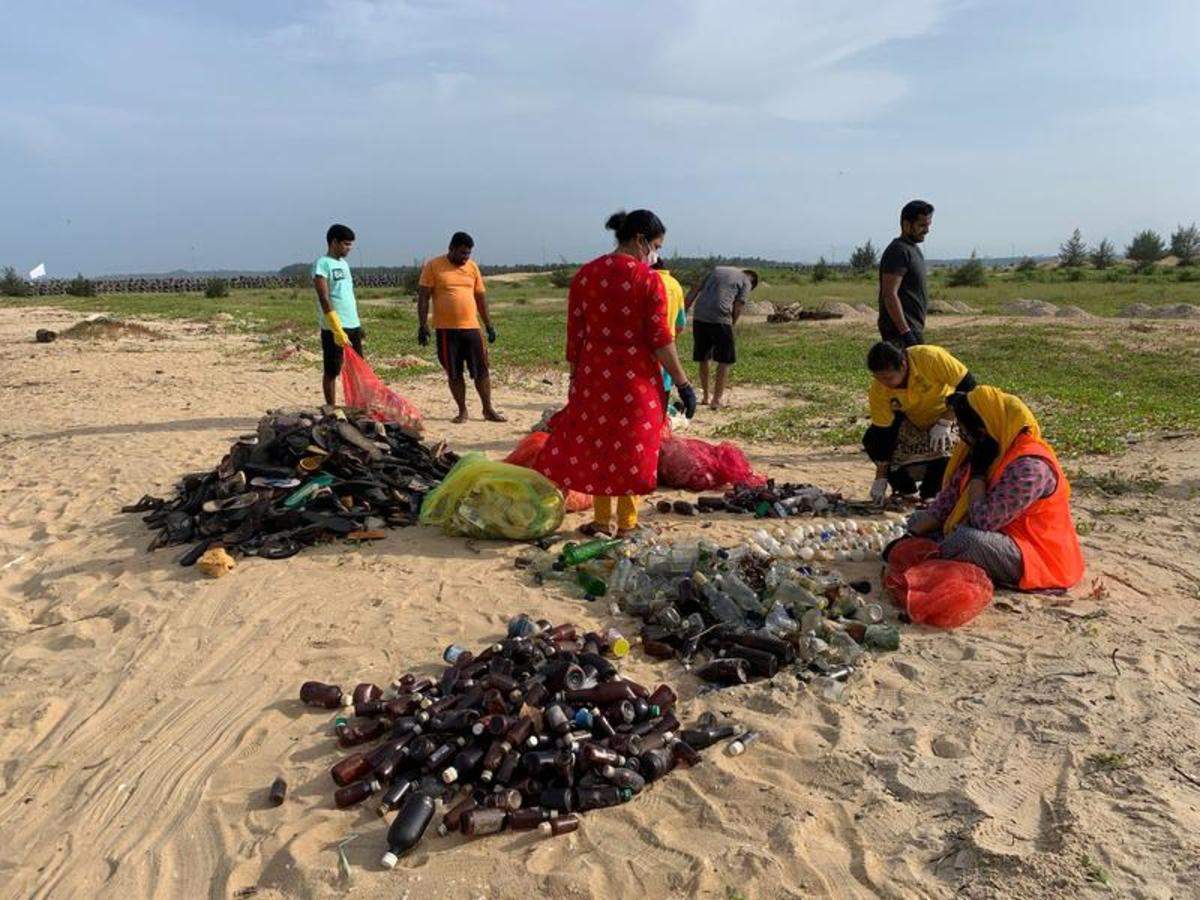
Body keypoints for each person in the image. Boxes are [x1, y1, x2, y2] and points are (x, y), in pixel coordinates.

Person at [537, 209, 697, 536]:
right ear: (639, 240)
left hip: (593, 377)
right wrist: (683, 382)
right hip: (634, 381)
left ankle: (600, 520)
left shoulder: (585, 276)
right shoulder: (648, 280)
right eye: (655, 245)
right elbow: (661, 342)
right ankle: (627, 524)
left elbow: (575, 336)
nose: (656, 253)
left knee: (599, 444)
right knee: (632, 448)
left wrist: (576, 380)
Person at [904, 386, 1085, 591]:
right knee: (917, 520)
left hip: (1034, 552)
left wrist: (978, 475)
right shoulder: (983, 450)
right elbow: (945, 503)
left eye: (965, 431)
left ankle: (942, 554)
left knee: (966, 540)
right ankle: (941, 551)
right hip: (996, 535)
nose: (963, 437)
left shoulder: (1029, 467)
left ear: (986, 428)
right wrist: (909, 537)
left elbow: (983, 520)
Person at [863, 341, 977, 505]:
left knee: (945, 445)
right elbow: (883, 434)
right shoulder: (879, 389)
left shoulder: (931, 358)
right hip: (913, 421)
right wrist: (880, 476)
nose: (884, 383)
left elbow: (970, 387)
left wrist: (946, 420)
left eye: (888, 378)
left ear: (903, 365)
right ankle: (906, 489)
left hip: (948, 414)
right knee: (871, 439)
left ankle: (932, 492)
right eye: (878, 378)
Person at [417, 232, 505, 423]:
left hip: (472, 329)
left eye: (468, 253)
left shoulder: (472, 267)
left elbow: (480, 298)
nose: (466, 257)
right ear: (451, 249)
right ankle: (462, 411)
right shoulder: (433, 266)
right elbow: (423, 297)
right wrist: (423, 325)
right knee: (454, 372)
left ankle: (488, 409)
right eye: (463, 253)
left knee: (482, 370)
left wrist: (489, 325)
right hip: (446, 331)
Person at [685, 265, 758, 409]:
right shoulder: (747, 280)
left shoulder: (717, 270)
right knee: (725, 360)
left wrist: (684, 308)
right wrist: (732, 323)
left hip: (699, 315)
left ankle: (706, 396)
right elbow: (738, 304)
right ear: (753, 280)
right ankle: (716, 400)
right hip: (721, 316)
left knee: (703, 357)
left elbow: (695, 289)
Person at [312, 223, 361, 406]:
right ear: (334, 242)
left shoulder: (345, 264)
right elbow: (324, 297)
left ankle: (356, 406)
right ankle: (331, 407)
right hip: (334, 327)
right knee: (332, 370)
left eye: (350, 244)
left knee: (356, 368)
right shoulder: (322, 264)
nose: (349, 248)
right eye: (346, 244)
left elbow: (347, 295)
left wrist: (358, 323)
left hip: (352, 324)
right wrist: (335, 327)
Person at [879, 200, 934, 347]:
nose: (927, 230)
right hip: (900, 333)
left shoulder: (912, 249)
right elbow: (889, 294)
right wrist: (906, 332)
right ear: (906, 225)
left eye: (928, 225)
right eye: (922, 225)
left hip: (911, 329)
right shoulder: (898, 251)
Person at [652, 258, 688, 414]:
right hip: (667, 346)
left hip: (642, 349)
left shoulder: (642, 281)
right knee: (664, 385)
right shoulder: (675, 285)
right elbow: (680, 323)